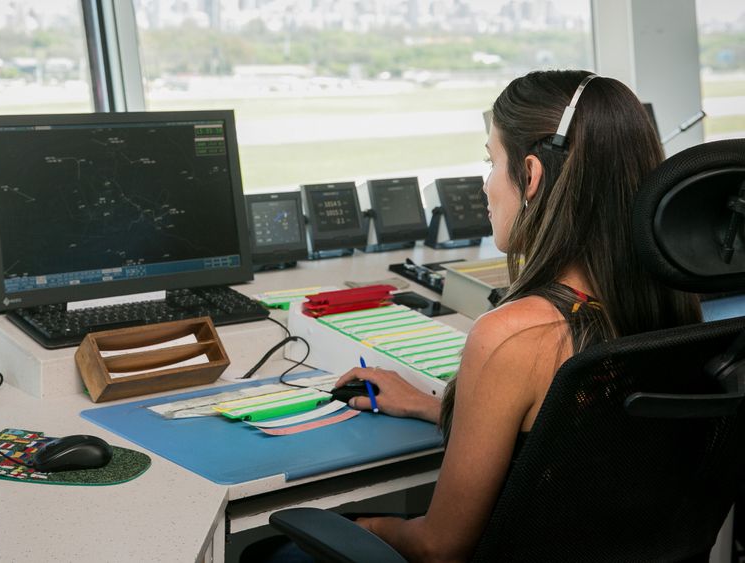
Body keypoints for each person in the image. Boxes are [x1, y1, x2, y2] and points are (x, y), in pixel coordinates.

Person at [243, 69, 702, 562]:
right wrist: (435, 405)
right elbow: (578, 437)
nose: (486, 186)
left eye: (491, 161)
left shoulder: (514, 335)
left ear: (531, 175)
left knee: (268, 551)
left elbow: (440, 548)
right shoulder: (677, 304)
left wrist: (367, 525)